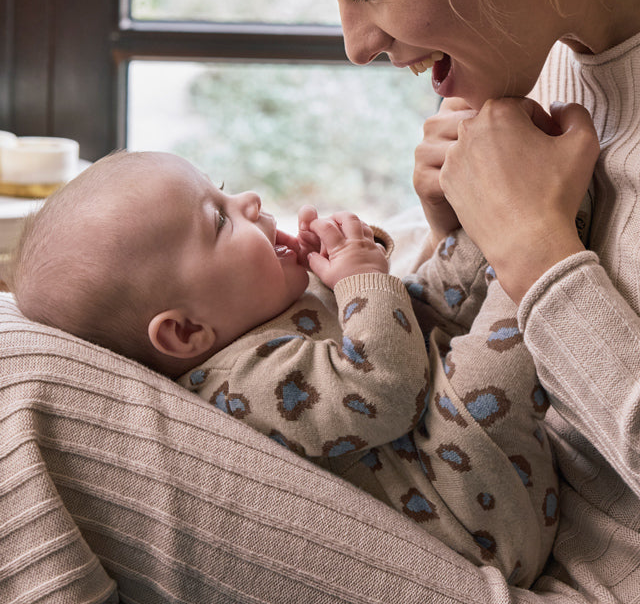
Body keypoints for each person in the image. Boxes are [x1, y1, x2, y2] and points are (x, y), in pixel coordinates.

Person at [253, 0, 640, 600]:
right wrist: (460, 248)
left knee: (31, 394)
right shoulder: (563, 56)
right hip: (503, 530)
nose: (355, 42)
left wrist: (537, 254)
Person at [11, 148, 558, 587]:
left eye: (221, 185)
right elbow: (385, 387)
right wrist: (359, 278)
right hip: (475, 506)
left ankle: (511, 210)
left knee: (446, 283)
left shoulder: (260, 308)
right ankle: (546, 235)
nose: (247, 200)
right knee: (494, 334)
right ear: (185, 332)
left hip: (445, 439)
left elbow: (411, 318)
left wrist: (360, 254)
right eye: (219, 219)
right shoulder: (240, 383)